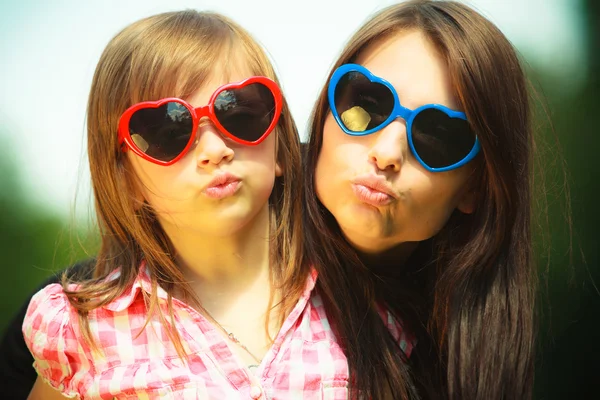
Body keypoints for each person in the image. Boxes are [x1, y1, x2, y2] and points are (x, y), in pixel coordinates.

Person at [19, 10, 412, 399]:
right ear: (125, 180)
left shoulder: (370, 300)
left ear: (279, 144)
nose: (213, 150)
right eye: (166, 131)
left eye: (239, 113)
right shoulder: (82, 331)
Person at [303, 0, 538, 398]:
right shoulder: (202, 248)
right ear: (327, 107)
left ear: (474, 188)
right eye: (366, 105)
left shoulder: (452, 366)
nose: (388, 153)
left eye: (436, 136)